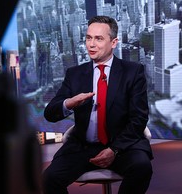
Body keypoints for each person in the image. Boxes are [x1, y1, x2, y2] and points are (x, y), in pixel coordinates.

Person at [42, 15, 153, 194]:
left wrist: (114, 149)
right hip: (83, 147)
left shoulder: (132, 72)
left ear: (114, 42)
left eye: (99, 38)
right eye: (88, 38)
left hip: (123, 146)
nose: (91, 44)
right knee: (49, 179)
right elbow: (50, 114)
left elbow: (139, 118)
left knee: (142, 168)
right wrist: (69, 103)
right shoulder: (74, 74)